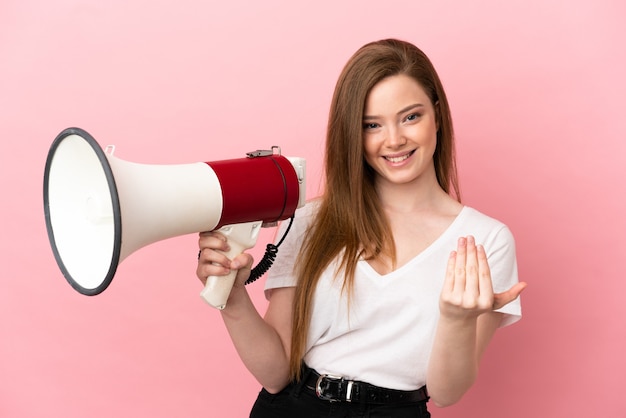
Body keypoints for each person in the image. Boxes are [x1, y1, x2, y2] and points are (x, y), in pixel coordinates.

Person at [196, 38, 527, 417]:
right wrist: (233, 297)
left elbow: (446, 392)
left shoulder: (487, 240)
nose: (394, 140)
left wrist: (456, 319)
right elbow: (275, 374)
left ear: (437, 114)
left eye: (411, 116)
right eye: (372, 125)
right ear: (352, 132)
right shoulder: (309, 221)